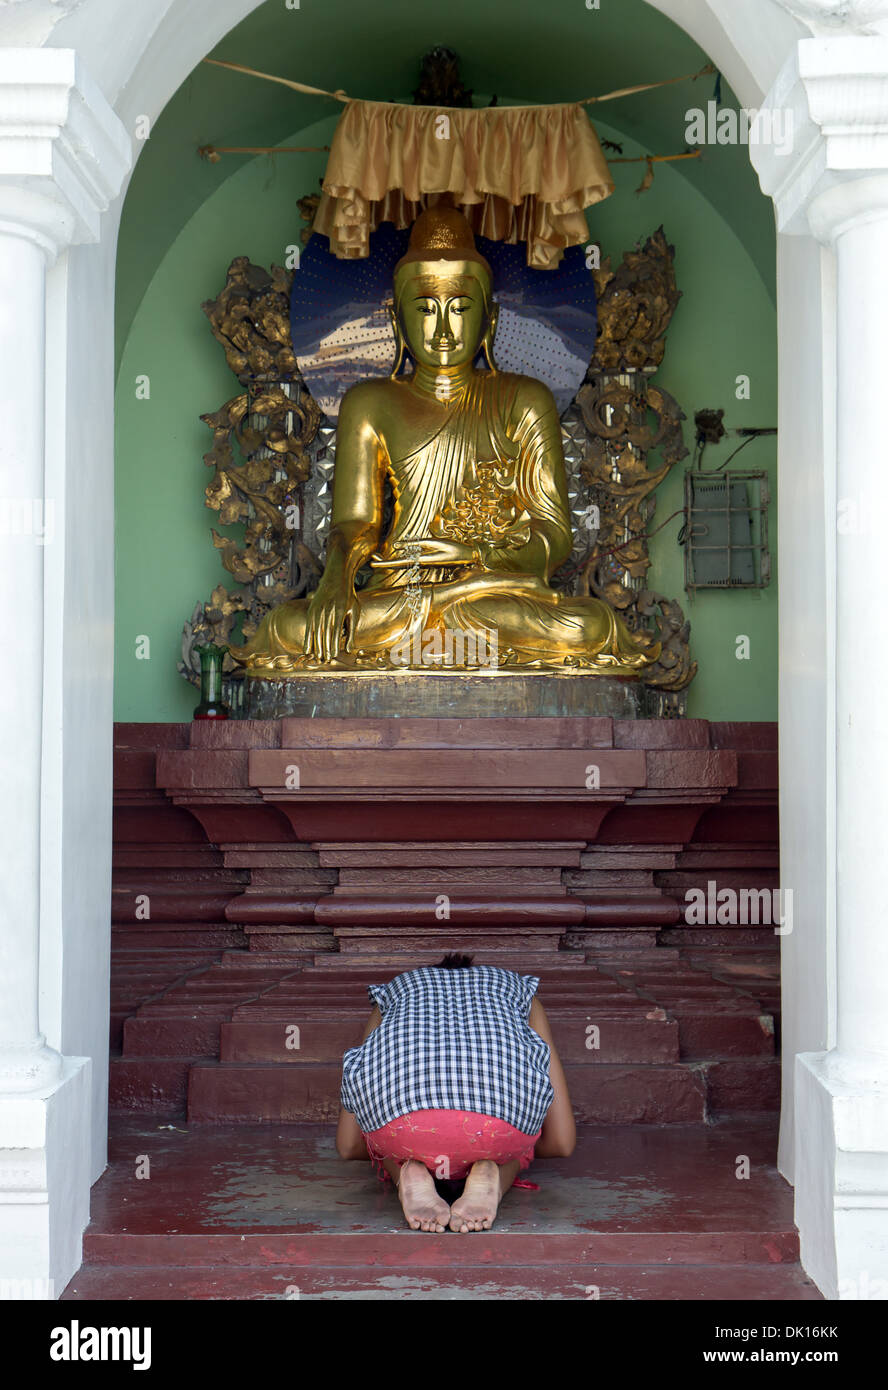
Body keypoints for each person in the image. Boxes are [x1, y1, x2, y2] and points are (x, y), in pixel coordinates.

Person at [335, 953, 576, 1234]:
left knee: (380, 1126)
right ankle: (493, 1175)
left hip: (404, 1129)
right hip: (493, 1129)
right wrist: (521, 1150)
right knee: (516, 1138)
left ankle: (407, 1171)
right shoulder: (521, 993)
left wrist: (403, 1151)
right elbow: (561, 1142)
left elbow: (349, 1144)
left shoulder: (394, 992)